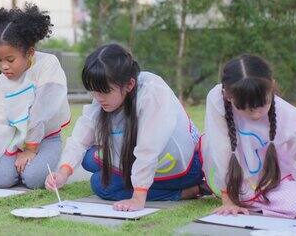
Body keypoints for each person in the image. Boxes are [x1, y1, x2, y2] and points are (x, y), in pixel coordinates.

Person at [46, 43, 203, 211]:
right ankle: (149, 185)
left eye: (104, 91)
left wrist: (138, 196)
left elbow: (147, 150)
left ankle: (185, 191)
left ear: (129, 85)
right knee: (89, 159)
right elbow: (82, 134)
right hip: (140, 159)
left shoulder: (152, 94)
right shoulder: (107, 94)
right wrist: (63, 173)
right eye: (94, 91)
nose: (98, 98)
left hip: (182, 166)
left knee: (100, 185)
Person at [0, 4, 70, 189]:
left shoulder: (48, 65)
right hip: (16, 141)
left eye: (10, 60)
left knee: (32, 178)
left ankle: (44, 158)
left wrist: (31, 149)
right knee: (0, 179)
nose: (4, 66)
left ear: (29, 52)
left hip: (47, 139)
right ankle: (21, 164)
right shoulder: (0, 85)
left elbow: (42, 111)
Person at [202, 54, 296, 217]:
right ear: (228, 95)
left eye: (262, 105)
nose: (255, 114)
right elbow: (219, 149)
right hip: (230, 179)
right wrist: (228, 199)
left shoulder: (289, 116)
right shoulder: (217, 98)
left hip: (272, 181)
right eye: (245, 109)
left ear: (272, 87)